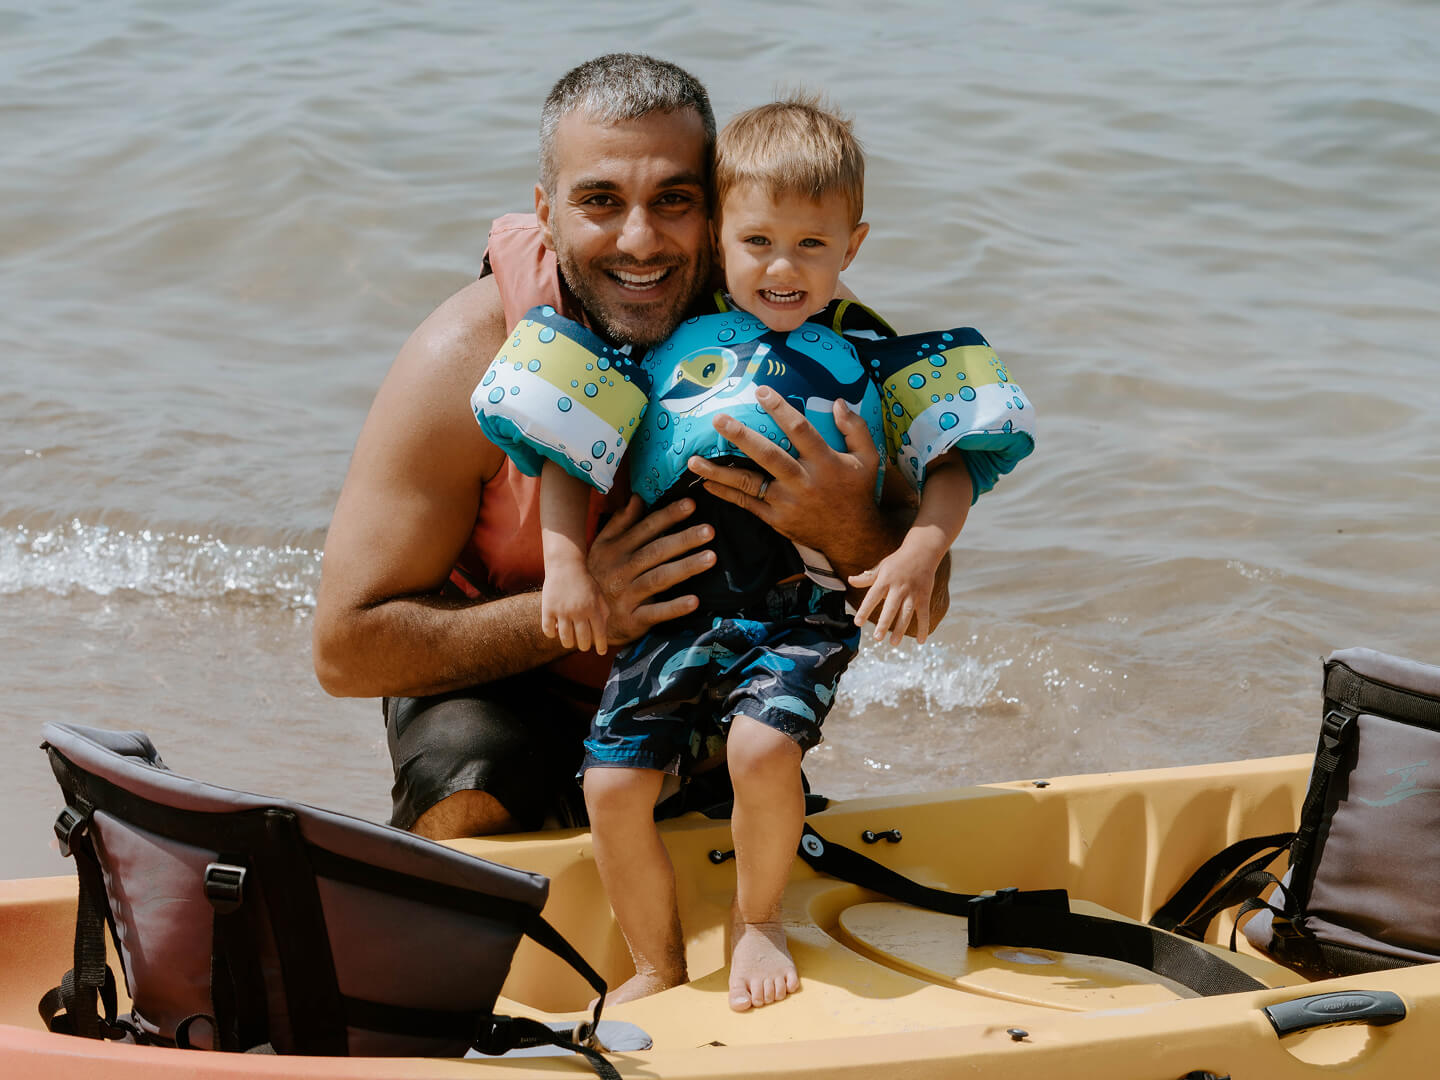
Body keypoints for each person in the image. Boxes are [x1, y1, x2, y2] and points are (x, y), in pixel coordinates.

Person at [471, 98, 1035, 1011]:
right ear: (718, 236)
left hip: (796, 613)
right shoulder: (653, 340)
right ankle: (655, 963)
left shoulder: (869, 350)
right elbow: (567, 447)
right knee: (610, 783)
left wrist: (918, 553)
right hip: (675, 613)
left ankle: (759, 920)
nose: (783, 267)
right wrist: (565, 564)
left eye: (812, 246)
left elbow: (955, 461)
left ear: (852, 246)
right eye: (758, 242)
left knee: (762, 748)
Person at [312, 56, 950, 850]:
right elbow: (345, 652)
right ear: (546, 213)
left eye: (674, 199)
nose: (640, 241)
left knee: (749, 778)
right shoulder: (468, 356)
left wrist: (850, 527)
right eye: (600, 202)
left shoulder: (808, 339)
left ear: (717, 210)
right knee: (473, 775)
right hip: (500, 689)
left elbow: (926, 604)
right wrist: (583, 611)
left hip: (706, 683)